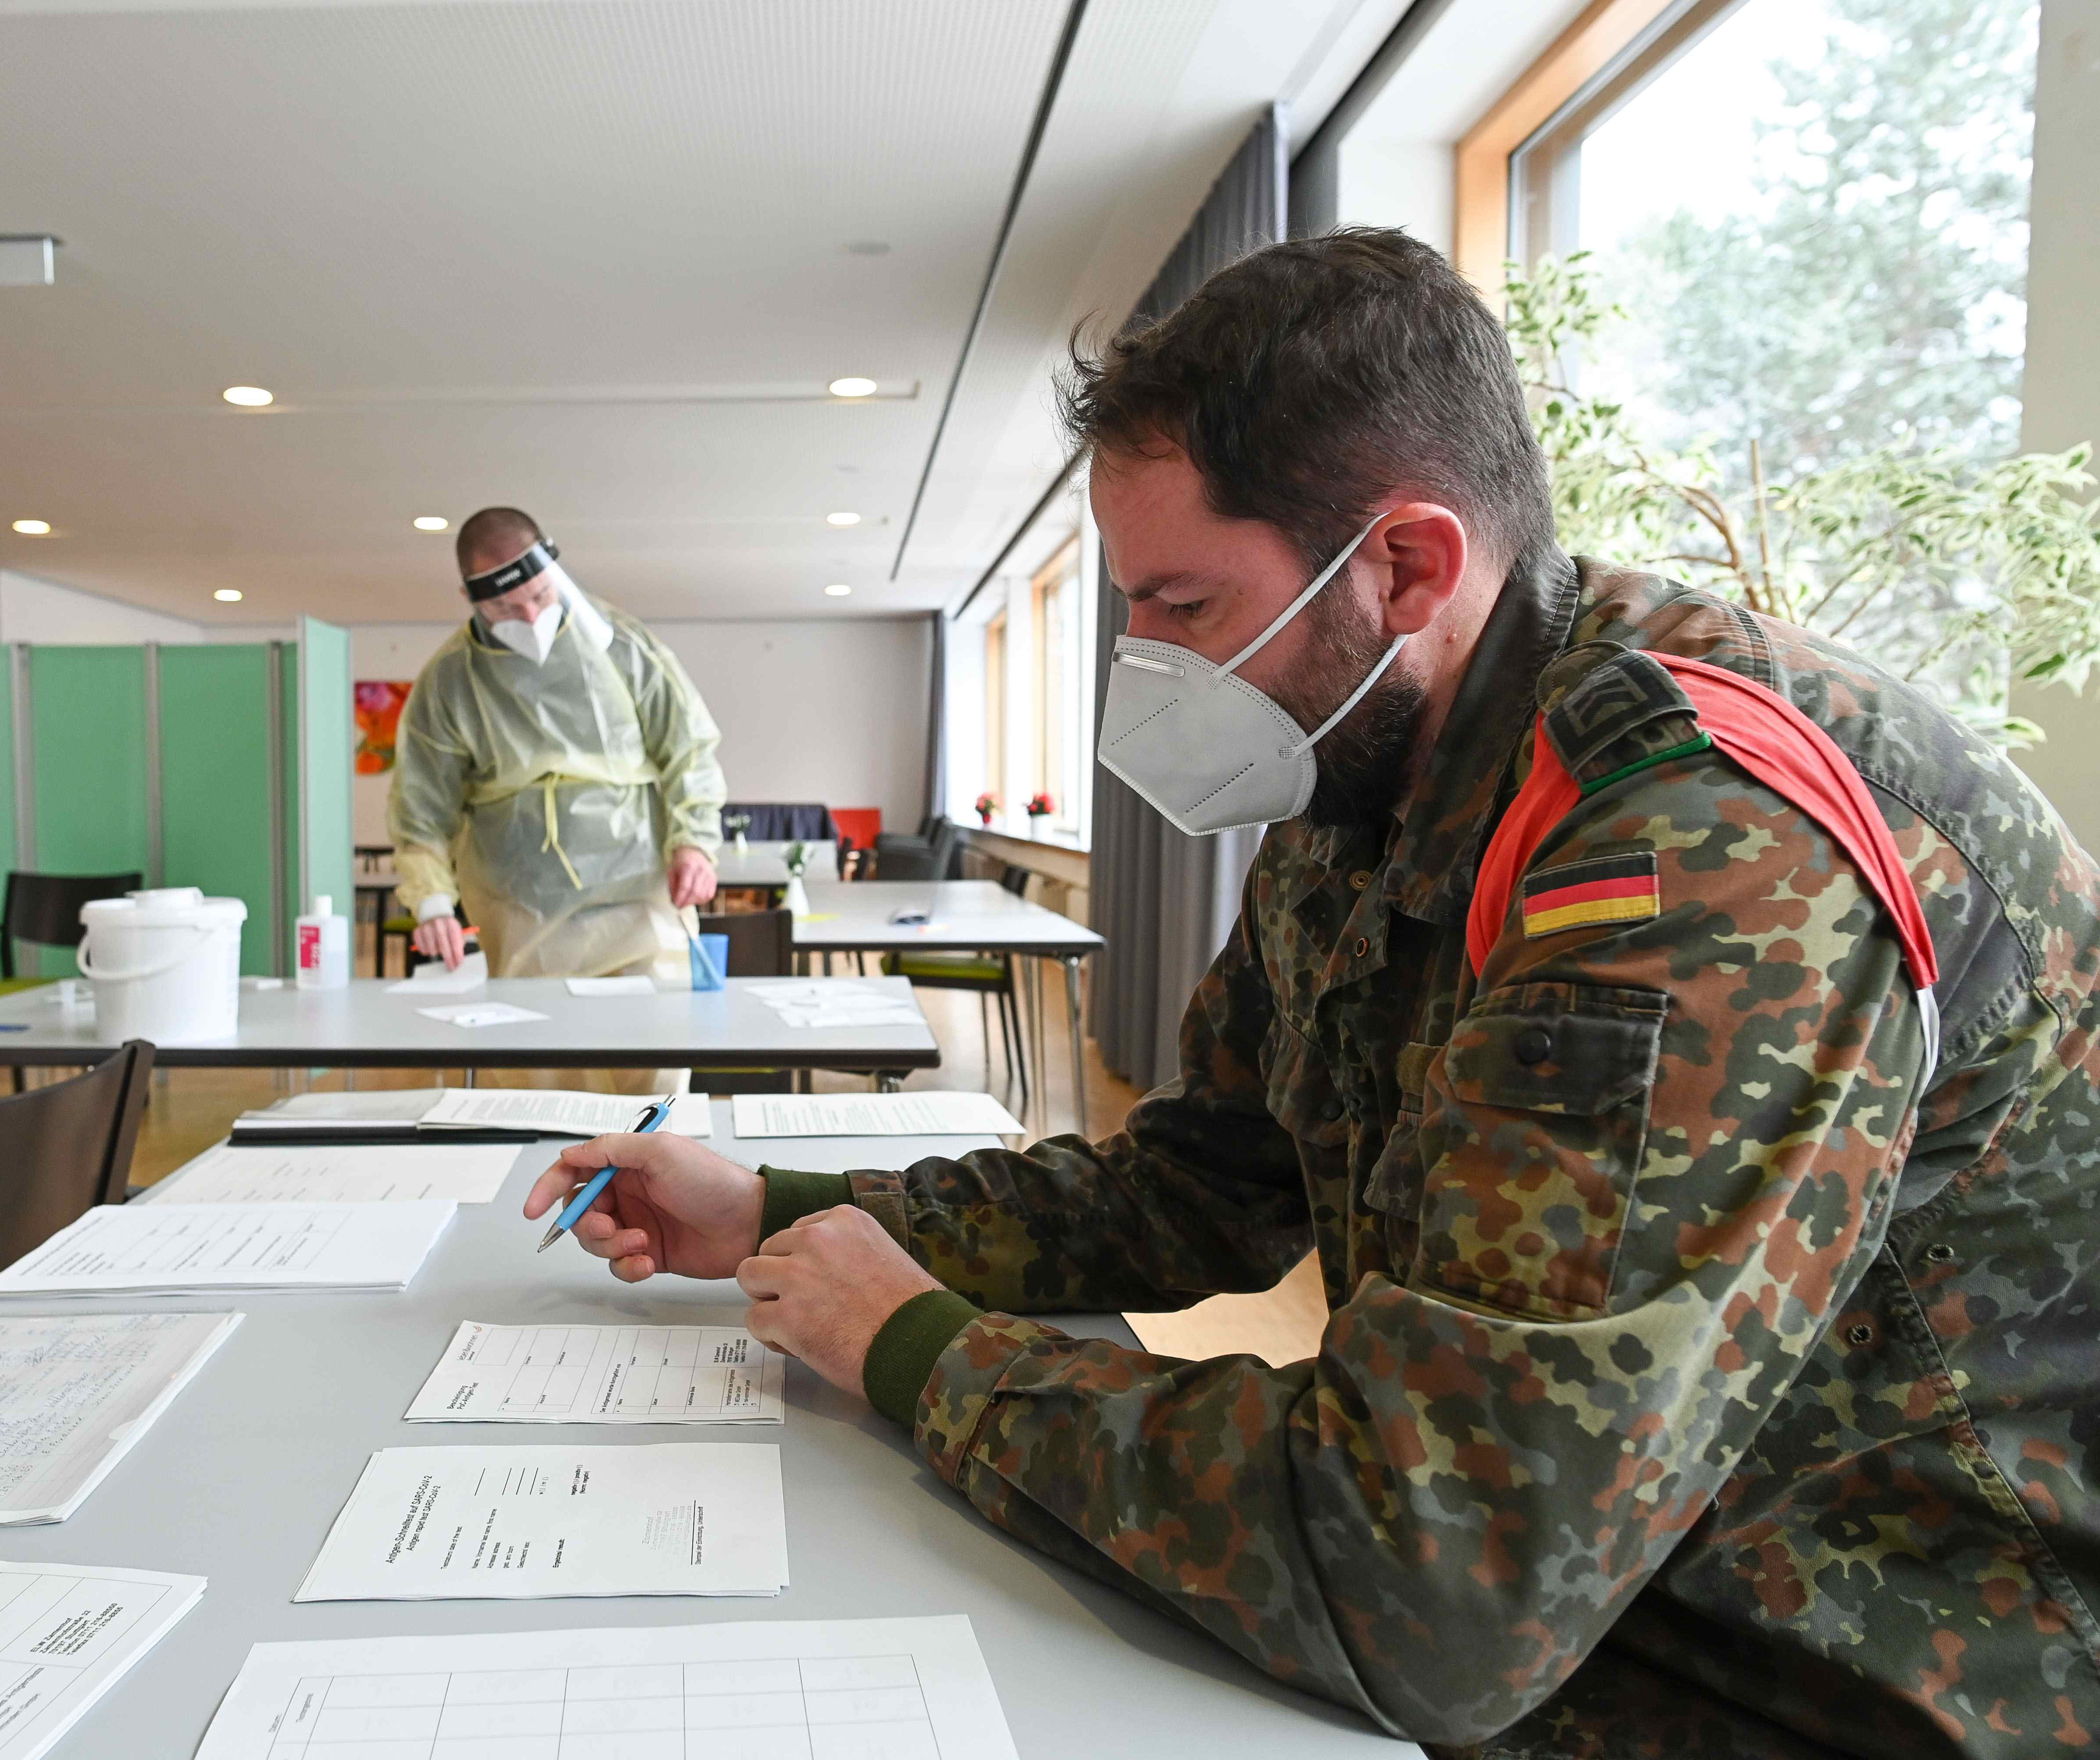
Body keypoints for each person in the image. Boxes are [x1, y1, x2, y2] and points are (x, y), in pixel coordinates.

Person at [525, 230, 2100, 1758]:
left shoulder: (1695, 845)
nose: (1144, 666)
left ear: (1405, 565)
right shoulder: (1367, 777)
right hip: (1609, 1614)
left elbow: (1434, 1575)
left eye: (1186, 607)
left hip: (1847, 1676)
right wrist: (778, 1201)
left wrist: (915, 1345)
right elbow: (1201, 1184)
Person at [391, 507, 726, 1087]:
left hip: (638, 902)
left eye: (541, 596)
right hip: (523, 913)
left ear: (555, 573)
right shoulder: (450, 681)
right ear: (474, 599)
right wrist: (432, 903)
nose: (529, 616)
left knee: (652, 1076)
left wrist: (695, 842)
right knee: (541, 1083)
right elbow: (421, 808)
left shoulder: (625, 646)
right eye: (506, 608)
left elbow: (688, 749)